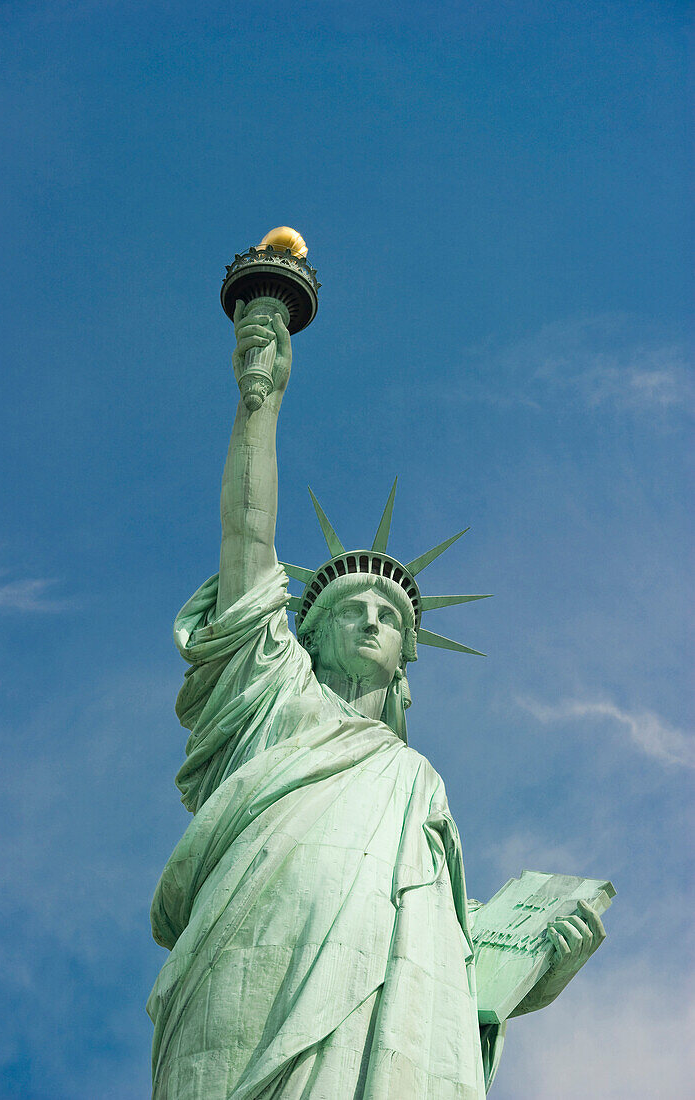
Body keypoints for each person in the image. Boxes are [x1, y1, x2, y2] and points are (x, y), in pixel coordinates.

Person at [147, 303, 605, 1099]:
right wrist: (262, 402)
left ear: (404, 660)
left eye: (388, 617)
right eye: (347, 610)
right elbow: (247, 546)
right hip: (253, 953)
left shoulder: (416, 785)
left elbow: (455, 957)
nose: (369, 618)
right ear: (305, 636)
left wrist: (546, 966)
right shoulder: (271, 697)